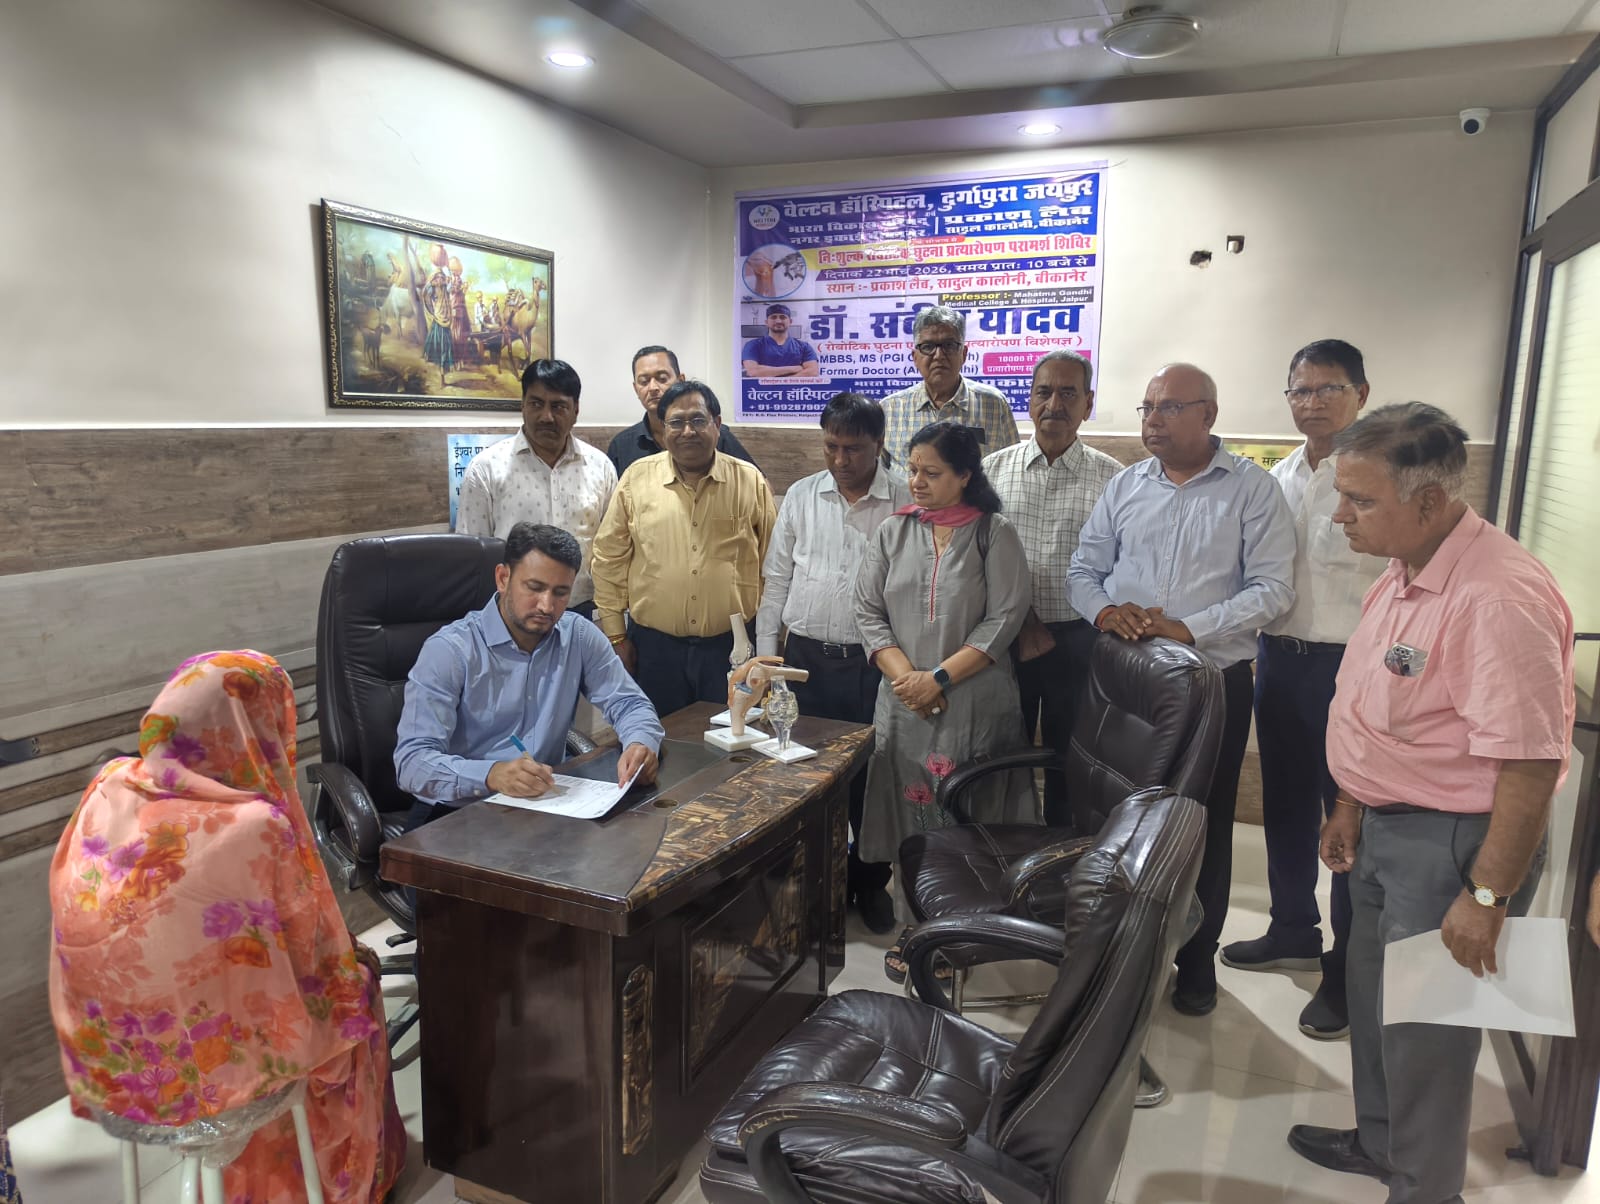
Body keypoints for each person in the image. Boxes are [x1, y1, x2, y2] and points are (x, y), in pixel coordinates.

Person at [1287, 403, 1574, 1204]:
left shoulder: (1496, 598)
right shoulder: (1407, 564)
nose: (1340, 516)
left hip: (1452, 844)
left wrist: (1486, 897)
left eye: (1360, 500)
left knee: (1429, 1035)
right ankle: (1381, 1145)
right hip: (1386, 826)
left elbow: (1529, 765)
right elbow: (1379, 702)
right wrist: (1351, 802)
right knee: (1378, 1005)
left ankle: (1424, 1189)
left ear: (1428, 501)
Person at [48, 650, 406, 1204]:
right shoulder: (256, 823)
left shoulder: (107, 787)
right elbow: (314, 958)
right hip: (222, 1075)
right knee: (358, 992)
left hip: (112, 1063)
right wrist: (355, 964)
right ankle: (324, 1184)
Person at [1068, 362, 1295, 1015]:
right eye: (1147, 408)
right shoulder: (1126, 484)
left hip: (1211, 682)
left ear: (1209, 415)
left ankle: (1195, 963)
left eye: (1168, 408)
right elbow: (1084, 569)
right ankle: (1112, 953)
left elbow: (1274, 590)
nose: (1152, 421)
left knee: (1200, 825)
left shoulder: (1252, 489)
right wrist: (1106, 612)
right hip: (1126, 680)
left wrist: (1188, 628)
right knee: (1121, 814)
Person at [1219, 339, 1390, 1040]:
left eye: (1328, 389)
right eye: (1300, 391)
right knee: (1285, 802)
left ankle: (1346, 969)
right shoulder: (1279, 476)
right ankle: (1292, 927)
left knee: (1347, 817)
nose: (1312, 403)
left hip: (1351, 667)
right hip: (1279, 659)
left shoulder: (1381, 474)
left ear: (1361, 394)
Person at [854, 421, 1033, 949]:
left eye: (931, 473)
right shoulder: (893, 532)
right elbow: (867, 611)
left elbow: (1004, 618)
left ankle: (971, 930)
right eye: (912, 470)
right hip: (904, 702)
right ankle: (914, 930)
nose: (917, 482)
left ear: (965, 476)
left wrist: (937, 678)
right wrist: (908, 679)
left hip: (971, 702)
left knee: (969, 811)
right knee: (909, 813)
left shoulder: (992, 533)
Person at [757, 393, 911, 934]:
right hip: (805, 662)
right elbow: (777, 579)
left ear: (879, 444)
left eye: (853, 449)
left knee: (872, 780)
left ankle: (869, 883)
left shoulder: (904, 499)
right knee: (803, 776)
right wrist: (766, 656)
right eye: (831, 447)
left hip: (874, 665)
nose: (841, 460)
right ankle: (814, 882)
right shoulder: (802, 495)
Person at [395, 523, 662, 825]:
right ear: (503, 578)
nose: (546, 606)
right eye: (534, 588)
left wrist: (640, 743)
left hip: (546, 804)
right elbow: (412, 764)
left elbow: (630, 704)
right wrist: (491, 774)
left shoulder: (578, 635)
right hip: (459, 813)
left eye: (560, 593)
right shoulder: (449, 651)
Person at [983, 350, 1121, 823]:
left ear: (1088, 403)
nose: (1054, 404)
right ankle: (1005, 846)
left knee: (1073, 757)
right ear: (1029, 399)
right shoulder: (992, 471)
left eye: (1068, 393)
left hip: (1080, 641)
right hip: (1005, 638)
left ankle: (1062, 853)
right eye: (1044, 392)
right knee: (1002, 753)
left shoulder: (1113, 479)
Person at [592, 380, 777, 715]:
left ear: (717, 424)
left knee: (732, 738)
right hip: (654, 649)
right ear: (663, 429)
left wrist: (768, 641)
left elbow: (773, 565)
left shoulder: (749, 481)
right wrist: (616, 636)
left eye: (698, 420)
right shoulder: (636, 479)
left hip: (732, 648)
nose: (687, 431)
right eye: (676, 422)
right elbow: (608, 559)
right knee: (657, 737)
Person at [455, 358, 617, 618]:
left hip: (584, 612)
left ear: (576, 410)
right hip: (514, 617)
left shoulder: (601, 467)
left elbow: (612, 551)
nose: (546, 417)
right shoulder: (486, 468)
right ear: (522, 405)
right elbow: (471, 558)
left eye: (558, 406)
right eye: (536, 404)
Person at [880, 305, 1019, 472]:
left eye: (949, 345)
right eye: (928, 346)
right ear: (915, 357)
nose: (939, 355)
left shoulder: (994, 403)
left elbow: (1013, 467)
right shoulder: (889, 409)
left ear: (964, 354)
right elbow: (879, 475)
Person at [607, 346, 759, 474]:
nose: (652, 388)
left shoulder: (713, 434)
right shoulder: (622, 445)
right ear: (636, 389)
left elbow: (759, 485)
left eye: (662, 378)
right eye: (644, 381)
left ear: (680, 381)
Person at [741, 304, 820, 378]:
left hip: (793, 389)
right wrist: (793, 369)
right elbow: (752, 371)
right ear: (766, 322)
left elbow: (813, 371)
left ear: (790, 322)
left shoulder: (803, 347)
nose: (778, 321)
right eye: (773, 317)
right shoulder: (753, 345)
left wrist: (784, 382)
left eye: (783, 317)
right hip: (760, 389)